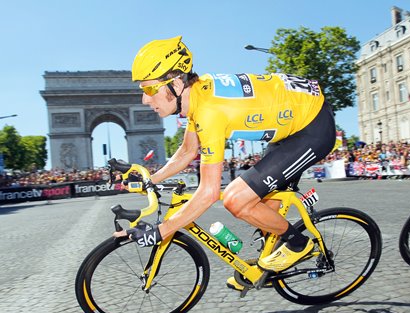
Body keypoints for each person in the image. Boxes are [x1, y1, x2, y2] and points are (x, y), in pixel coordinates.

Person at [126, 36, 336, 289]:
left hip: (312, 129)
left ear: (177, 83)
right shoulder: (199, 94)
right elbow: (186, 152)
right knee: (264, 211)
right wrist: (150, 179)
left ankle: (298, 244)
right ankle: (262, 270)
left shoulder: (209, 111)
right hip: (290, 123)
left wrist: (161, 230)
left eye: (149, 89)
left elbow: (208, 192)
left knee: (237, 199)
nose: (145, 100)